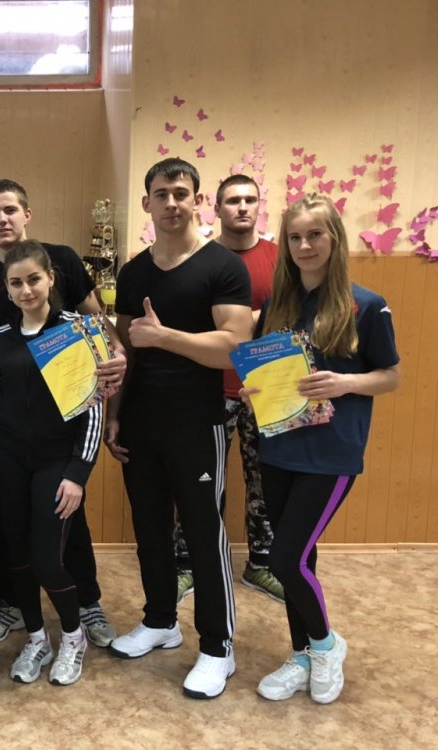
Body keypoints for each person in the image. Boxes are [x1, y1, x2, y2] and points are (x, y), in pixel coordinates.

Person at [104, 158, 252, 700]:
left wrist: (167, 337)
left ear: (198, 200)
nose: (171, 202)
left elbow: (234, 347)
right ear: (146, 203)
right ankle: (161, 621)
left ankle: (218, 647)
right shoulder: (133, 272)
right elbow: (128, 349)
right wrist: (115, 414)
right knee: (149, 528)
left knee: (203, 532)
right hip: (141, 420)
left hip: (197, 422)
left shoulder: (222, 266)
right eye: (161, 193)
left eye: (181, 193)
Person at [249, 194, 399, 704]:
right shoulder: (278, 307)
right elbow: (269, 373)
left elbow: (390, 376)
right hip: (278, 448)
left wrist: (345, 383)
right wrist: (257, 389)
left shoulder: (367, 305)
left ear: (334, 238)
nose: (304, 245)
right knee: (301, 557)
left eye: (314, 234)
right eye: (294, 237)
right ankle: (303, 654)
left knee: (284, 558)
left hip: (331, 455)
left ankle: (326, 645)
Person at [0, 178, 121, 651]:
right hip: (11, 451)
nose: (2, 219)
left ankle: (86, 608)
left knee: (64, 538)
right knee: (14, 538)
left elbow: (99, 333)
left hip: (59, 450)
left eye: (9, 210)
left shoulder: (68, 285)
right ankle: (19, 612)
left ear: (51, 277)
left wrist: (115, 353)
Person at [0, 241, 105, 686]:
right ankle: (36, 638)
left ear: (51, 278)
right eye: (16, 283)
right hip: (9, 462)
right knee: (16, 558)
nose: (26, 290)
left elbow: (93, 408)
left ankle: (72, 636)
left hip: (57, 462)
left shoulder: (78, 330)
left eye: (34, 279)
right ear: (7, 288)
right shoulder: (0, 338)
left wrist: (78, 474)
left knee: (47, 560)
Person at [172, 174, 284, 605]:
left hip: (265, 390)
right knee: (201, 481)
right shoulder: (201, 259)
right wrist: (251, 320)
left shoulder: (281, 259)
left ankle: (262, 563)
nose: (242, 207)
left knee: (265, 480)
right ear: (215, 208)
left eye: (250, 199)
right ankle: (189, 563)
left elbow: (291, 316)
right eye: (232, 200)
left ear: (259, 207)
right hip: (210, 389)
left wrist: (245, 322)